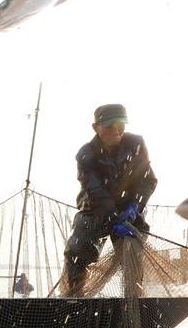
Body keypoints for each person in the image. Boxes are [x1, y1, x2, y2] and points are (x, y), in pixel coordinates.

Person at [63, 103, 158, 296]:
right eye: (109, 125)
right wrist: (112, 217)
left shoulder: (136, 143)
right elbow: (95, 190)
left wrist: (133, 207)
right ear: (96, 127)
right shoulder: (86, 154)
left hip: (129, 209)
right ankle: (74, 296)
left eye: (121, 124)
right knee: (77, 250)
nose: (116, 130)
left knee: (132, 252)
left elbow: (148, 179)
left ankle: (134, 298)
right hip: (94, 208)